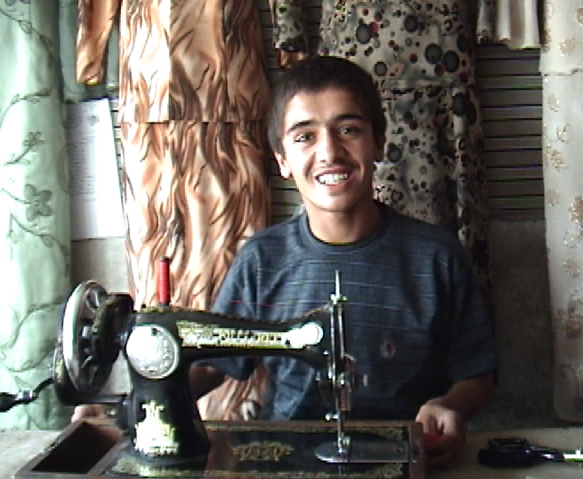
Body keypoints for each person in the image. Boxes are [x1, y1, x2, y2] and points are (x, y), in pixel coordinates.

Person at [74, 55, 498, 469]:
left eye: (348, 129)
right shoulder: (262, 260)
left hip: (406, 453)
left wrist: (450, 405)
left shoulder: (436, 257)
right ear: (281, 161)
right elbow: (213, 365)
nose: (329, 151)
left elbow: (478, 373)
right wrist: (128, 407)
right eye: (304, 136)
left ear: (378, 143)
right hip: (284, 452)